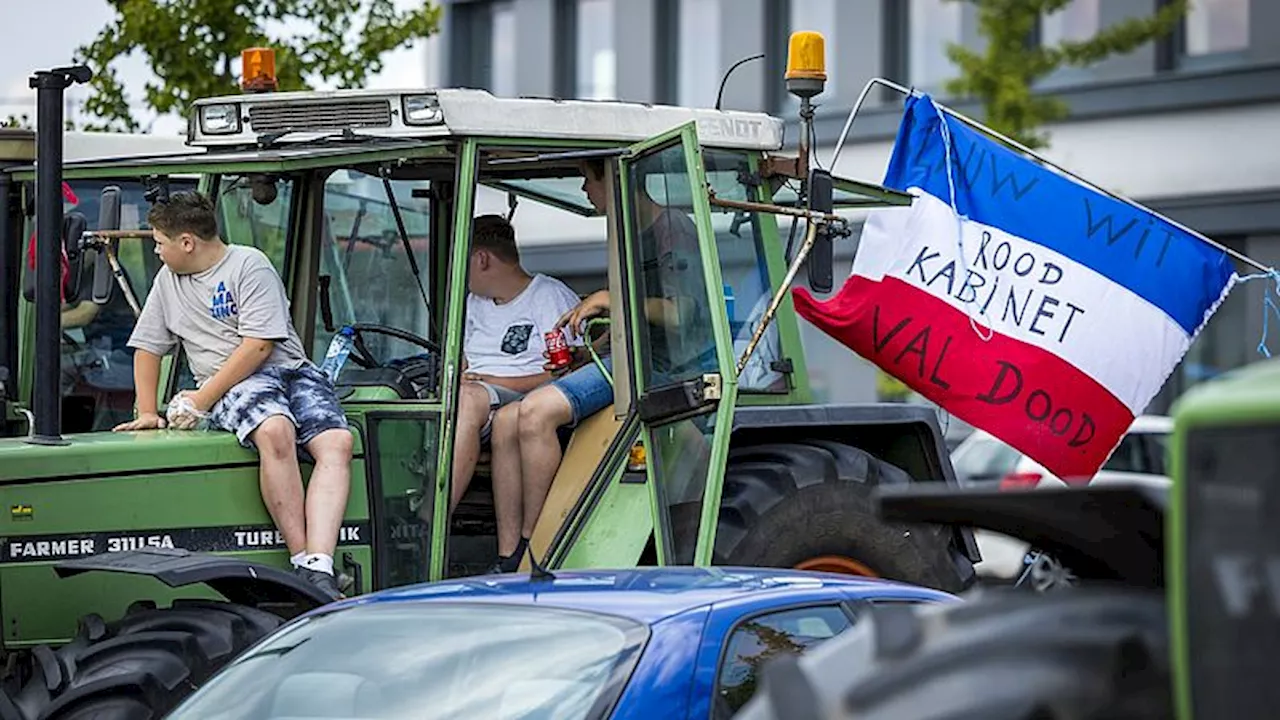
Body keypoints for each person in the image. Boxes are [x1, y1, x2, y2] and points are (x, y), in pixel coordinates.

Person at [112, 191, 353, 602]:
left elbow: (259, 345)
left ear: (187, 242)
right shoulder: (167, 283)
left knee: (338, 441)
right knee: (275, 430)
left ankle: (320, 563)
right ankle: (302, 560)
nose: (156, 252)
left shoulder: (249, 264)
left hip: (285, 370)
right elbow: (149, 346)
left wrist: (200, 399)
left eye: (159, 243)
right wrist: (148, 411)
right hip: (234, 383)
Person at [485, 159, 705, 572]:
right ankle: (508, 552)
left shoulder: (672, 229)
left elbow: (680, 313)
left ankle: (538, 549)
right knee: (506, 419)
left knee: (535, 413)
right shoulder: (625, 234)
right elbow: (634, 321)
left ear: (618, 179)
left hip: (658, 367)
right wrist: (595, 348)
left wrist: (608, 298)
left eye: (589, 178)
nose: (585, 189)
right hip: (620, 356)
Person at [450, 215, 581, 511]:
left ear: (481, 259)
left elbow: (569, 374)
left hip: (520, 398)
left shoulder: (549, 297)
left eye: (460, 261)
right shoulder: (473, 302)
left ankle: (432, 520)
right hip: (474, 398)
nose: (457, 273)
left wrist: (492, 384)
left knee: (467, 399)